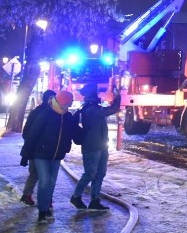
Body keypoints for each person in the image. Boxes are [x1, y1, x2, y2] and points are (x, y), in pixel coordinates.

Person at [19, 90, 79, 224]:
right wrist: (25, 155)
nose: (70, 105)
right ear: (62, 102)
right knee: (45, 181)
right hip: (40, 154)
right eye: (69, 102)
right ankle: (42, 211)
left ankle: (46, 208)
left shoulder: (68, 116)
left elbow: (76, 135)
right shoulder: (45, 114)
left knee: (51, 183)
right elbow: (32, 135)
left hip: (57, 155)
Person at [70, 82, 121, 212]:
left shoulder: (92, 107)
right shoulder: (91, 108)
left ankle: (94, 201)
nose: (98, 94)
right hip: (92, 146)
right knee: (90, 174)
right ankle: (76, 196)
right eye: (96, 92)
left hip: (101, 145)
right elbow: (111, 110)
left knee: (100, 174)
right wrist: (118, 97)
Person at [19, 89, 56, 206]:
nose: (52, 101)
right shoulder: (37, 112)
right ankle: (28, 195)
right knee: (36, 174)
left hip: (50, 150)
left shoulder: (55, 112)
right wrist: (31, 147)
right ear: (46, 99)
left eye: (53, 98)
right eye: (50, 98)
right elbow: (26, 132)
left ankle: (46, 198)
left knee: (48, 177)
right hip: (36, 150)